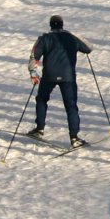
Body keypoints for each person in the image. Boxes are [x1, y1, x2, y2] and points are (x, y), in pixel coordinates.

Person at [27, 14, 93, 148]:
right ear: (62, 24)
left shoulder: (44, 38)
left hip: (49, 76)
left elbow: (34, 56)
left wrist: (33, 74)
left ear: (50, 25)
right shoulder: (71, 38)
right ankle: (74, 138)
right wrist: (74, 35)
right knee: (71, 106)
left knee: (41, 99)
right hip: (68, 77)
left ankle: (39, 129)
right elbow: (88, 48)